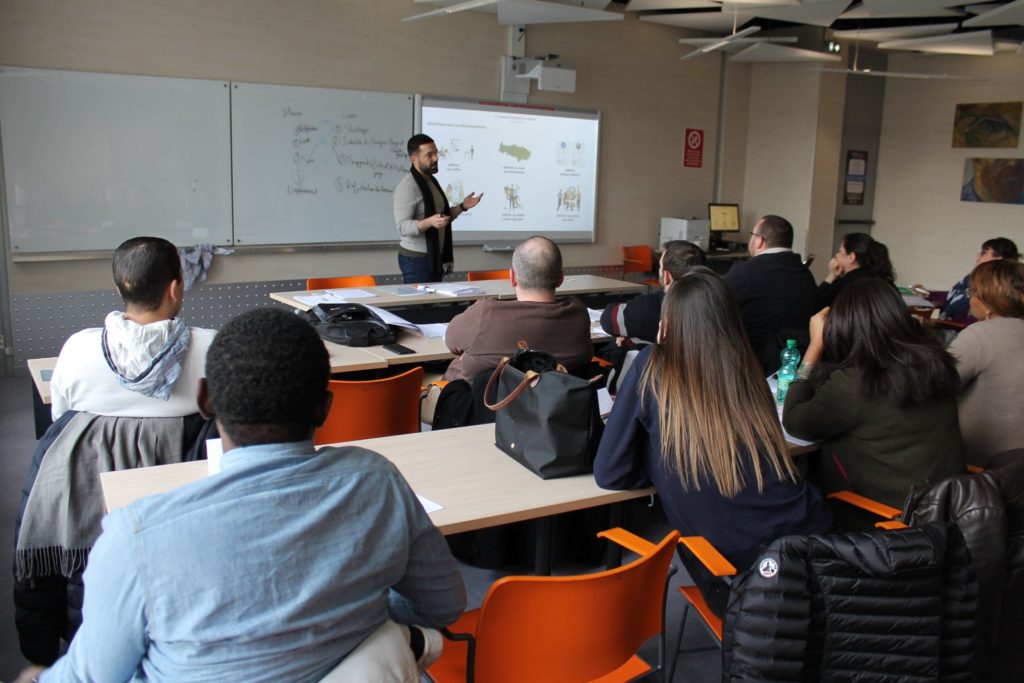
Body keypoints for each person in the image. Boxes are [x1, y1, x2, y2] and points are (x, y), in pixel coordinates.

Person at [21, 308, 466, 682]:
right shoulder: (377, 481)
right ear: (325, 408)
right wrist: (354, 606)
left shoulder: (134, 538)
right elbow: (443, 603)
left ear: (206, 400)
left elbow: (89, 677)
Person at [595, 268, 832, 617]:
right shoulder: (748, 367)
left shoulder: (652, 366)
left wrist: (657, 464)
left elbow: (609, 472)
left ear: (667, 324)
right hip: (818, 549)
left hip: (744, 585)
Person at [784, 279, 966, 529]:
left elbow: (794, 420)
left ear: (843, 325)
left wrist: (815, 346)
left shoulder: (855, 383)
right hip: (944, 513)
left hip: (880, 521)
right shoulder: (937, 363)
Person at [49, 236, 215, 420]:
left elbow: (60, 419)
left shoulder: (77, 349)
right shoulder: (214, 348)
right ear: (174, 289)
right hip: (187, 449)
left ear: (120, 289)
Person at [443, 235, 592, 382]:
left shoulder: (485, 313)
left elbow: (451, 342)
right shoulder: (579, 314)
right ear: (561, 279)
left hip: (483, 402)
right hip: (558, 403)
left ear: (512, 278)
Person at [948, 259, 1024, 465]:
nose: (970, 300)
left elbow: (937, 384)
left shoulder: (980, 335)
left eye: (972, 292)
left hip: (984, 467)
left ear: (986, 299)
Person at [721, 215, 816, 363]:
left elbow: (713, 303)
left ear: (760, 240)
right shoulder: (804, 273)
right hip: (796, 358)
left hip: (753, 361)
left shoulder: (745, 272)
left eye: (752, 235)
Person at [393, 133, 483, 283]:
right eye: (429, 154)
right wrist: (429, 222)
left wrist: (462, 206)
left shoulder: (431, 181)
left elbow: (441, 218)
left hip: (433, 258)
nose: (435, 158)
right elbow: (402, 227)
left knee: (433, 305)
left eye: (436, 152)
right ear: (414, 158)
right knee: (421, 306)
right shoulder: (407, 187)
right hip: (416, 260)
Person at [599, 239, 706, 345]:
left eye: (660, 266)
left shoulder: (649, 307)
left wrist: (629, 336)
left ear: (667, 276)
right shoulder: (713, 305)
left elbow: (608, 320)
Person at [942, 237, 1019, 321]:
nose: (978, 256)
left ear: (999, 259)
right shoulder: (973, 277)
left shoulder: (993, 283)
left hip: (963, 329)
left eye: (984, 252)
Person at [814, 232, 895, 309]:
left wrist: (832, 275)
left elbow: (814, 306)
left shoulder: (845, 285)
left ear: (851, 257)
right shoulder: (884, 280)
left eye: (840, 251)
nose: (836, 255)